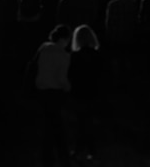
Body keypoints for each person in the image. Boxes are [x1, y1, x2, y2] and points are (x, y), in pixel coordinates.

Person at [34, 24, 72, 167]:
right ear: (64, 39)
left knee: (48, 126)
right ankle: (63, 156)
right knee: (58, 127)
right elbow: (61, 78)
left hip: (42, 91)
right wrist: (68, 87)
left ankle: (47, 157)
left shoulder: (44, 48)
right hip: (55, 93)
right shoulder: (63, 55)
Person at [68, 24, 102, 163]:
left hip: (79, 92)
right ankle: (91, 150)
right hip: (94, 92)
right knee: (89, 122)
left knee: (81, 122)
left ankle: (79, 149)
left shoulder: (74, 56)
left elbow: (70, 75)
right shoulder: (97, 55)